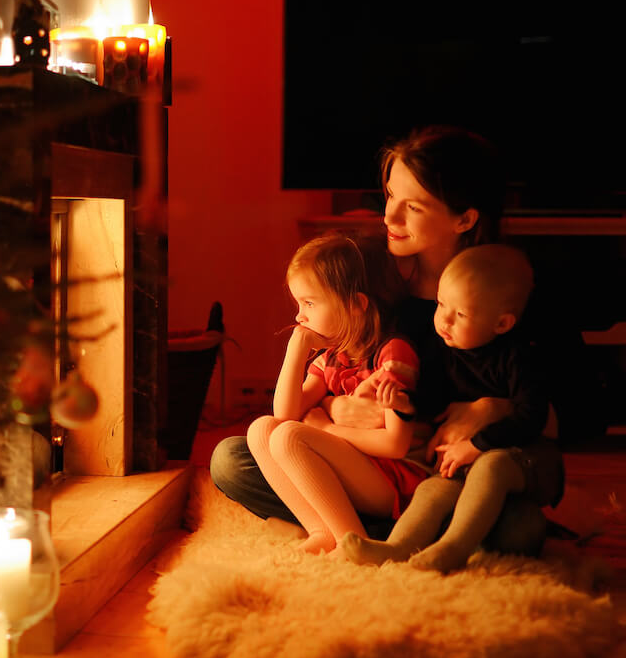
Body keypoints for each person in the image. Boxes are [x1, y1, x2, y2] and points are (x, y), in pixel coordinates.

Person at [211, 125, 552, 550]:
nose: (389, 217)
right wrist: (335, 406)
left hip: (440, 470)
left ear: (464, 218)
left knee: (520, 529)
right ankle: (365, 529)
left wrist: (491, 408)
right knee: (231, 459)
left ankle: (387, 531)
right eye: (390, 196)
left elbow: (573, 414)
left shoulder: (507, 296)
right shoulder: (375, 286)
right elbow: (327, 387)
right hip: (364, 461)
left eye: (413, 207)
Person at [342, 244, 564, 571]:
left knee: (493, 467)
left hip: (529, 460)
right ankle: (397, 547)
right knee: (434, 487)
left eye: (459, 314)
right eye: (441, 304)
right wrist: (404, 403)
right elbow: (435, 400)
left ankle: (452, 549)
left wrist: (477, 445)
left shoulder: (519, 358)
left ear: (501, 323)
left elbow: (532, 417)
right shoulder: (448, 350)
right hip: (469, 460)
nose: (443, 319)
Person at [246, 233, 429, 554]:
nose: (299, 316)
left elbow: (396, 445)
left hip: (396, 482)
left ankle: (353, 540)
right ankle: (322, 530)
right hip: (359, 470)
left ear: (356, 304)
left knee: (290, 437)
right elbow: (283, 414)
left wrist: (327, 428)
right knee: (262, 430)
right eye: (299, 304)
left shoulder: (392, 353)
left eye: (310, 303)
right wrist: (296, 349)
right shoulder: (332, 357)